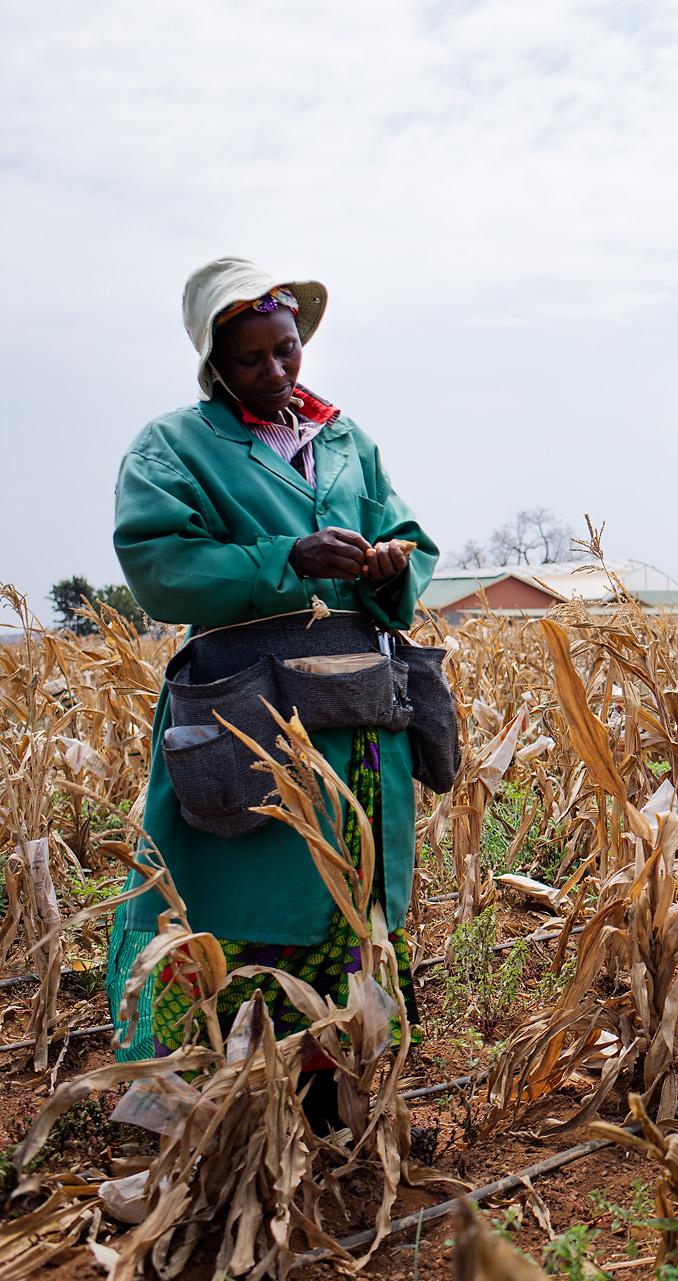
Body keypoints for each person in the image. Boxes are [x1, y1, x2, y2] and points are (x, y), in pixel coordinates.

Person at [109, 258, 437, 1131]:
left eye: (286, 350)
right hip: (247, 714)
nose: (277, 371)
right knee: (241, 894)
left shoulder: (344, 438)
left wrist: (391, 561)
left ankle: (327, 1090)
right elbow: (159, 566)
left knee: (348, 892)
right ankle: (217, 1103)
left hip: (355, 717)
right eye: (252, 359)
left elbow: (407, 532)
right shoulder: (173, 446)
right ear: (216, 364)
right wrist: (282, 561)